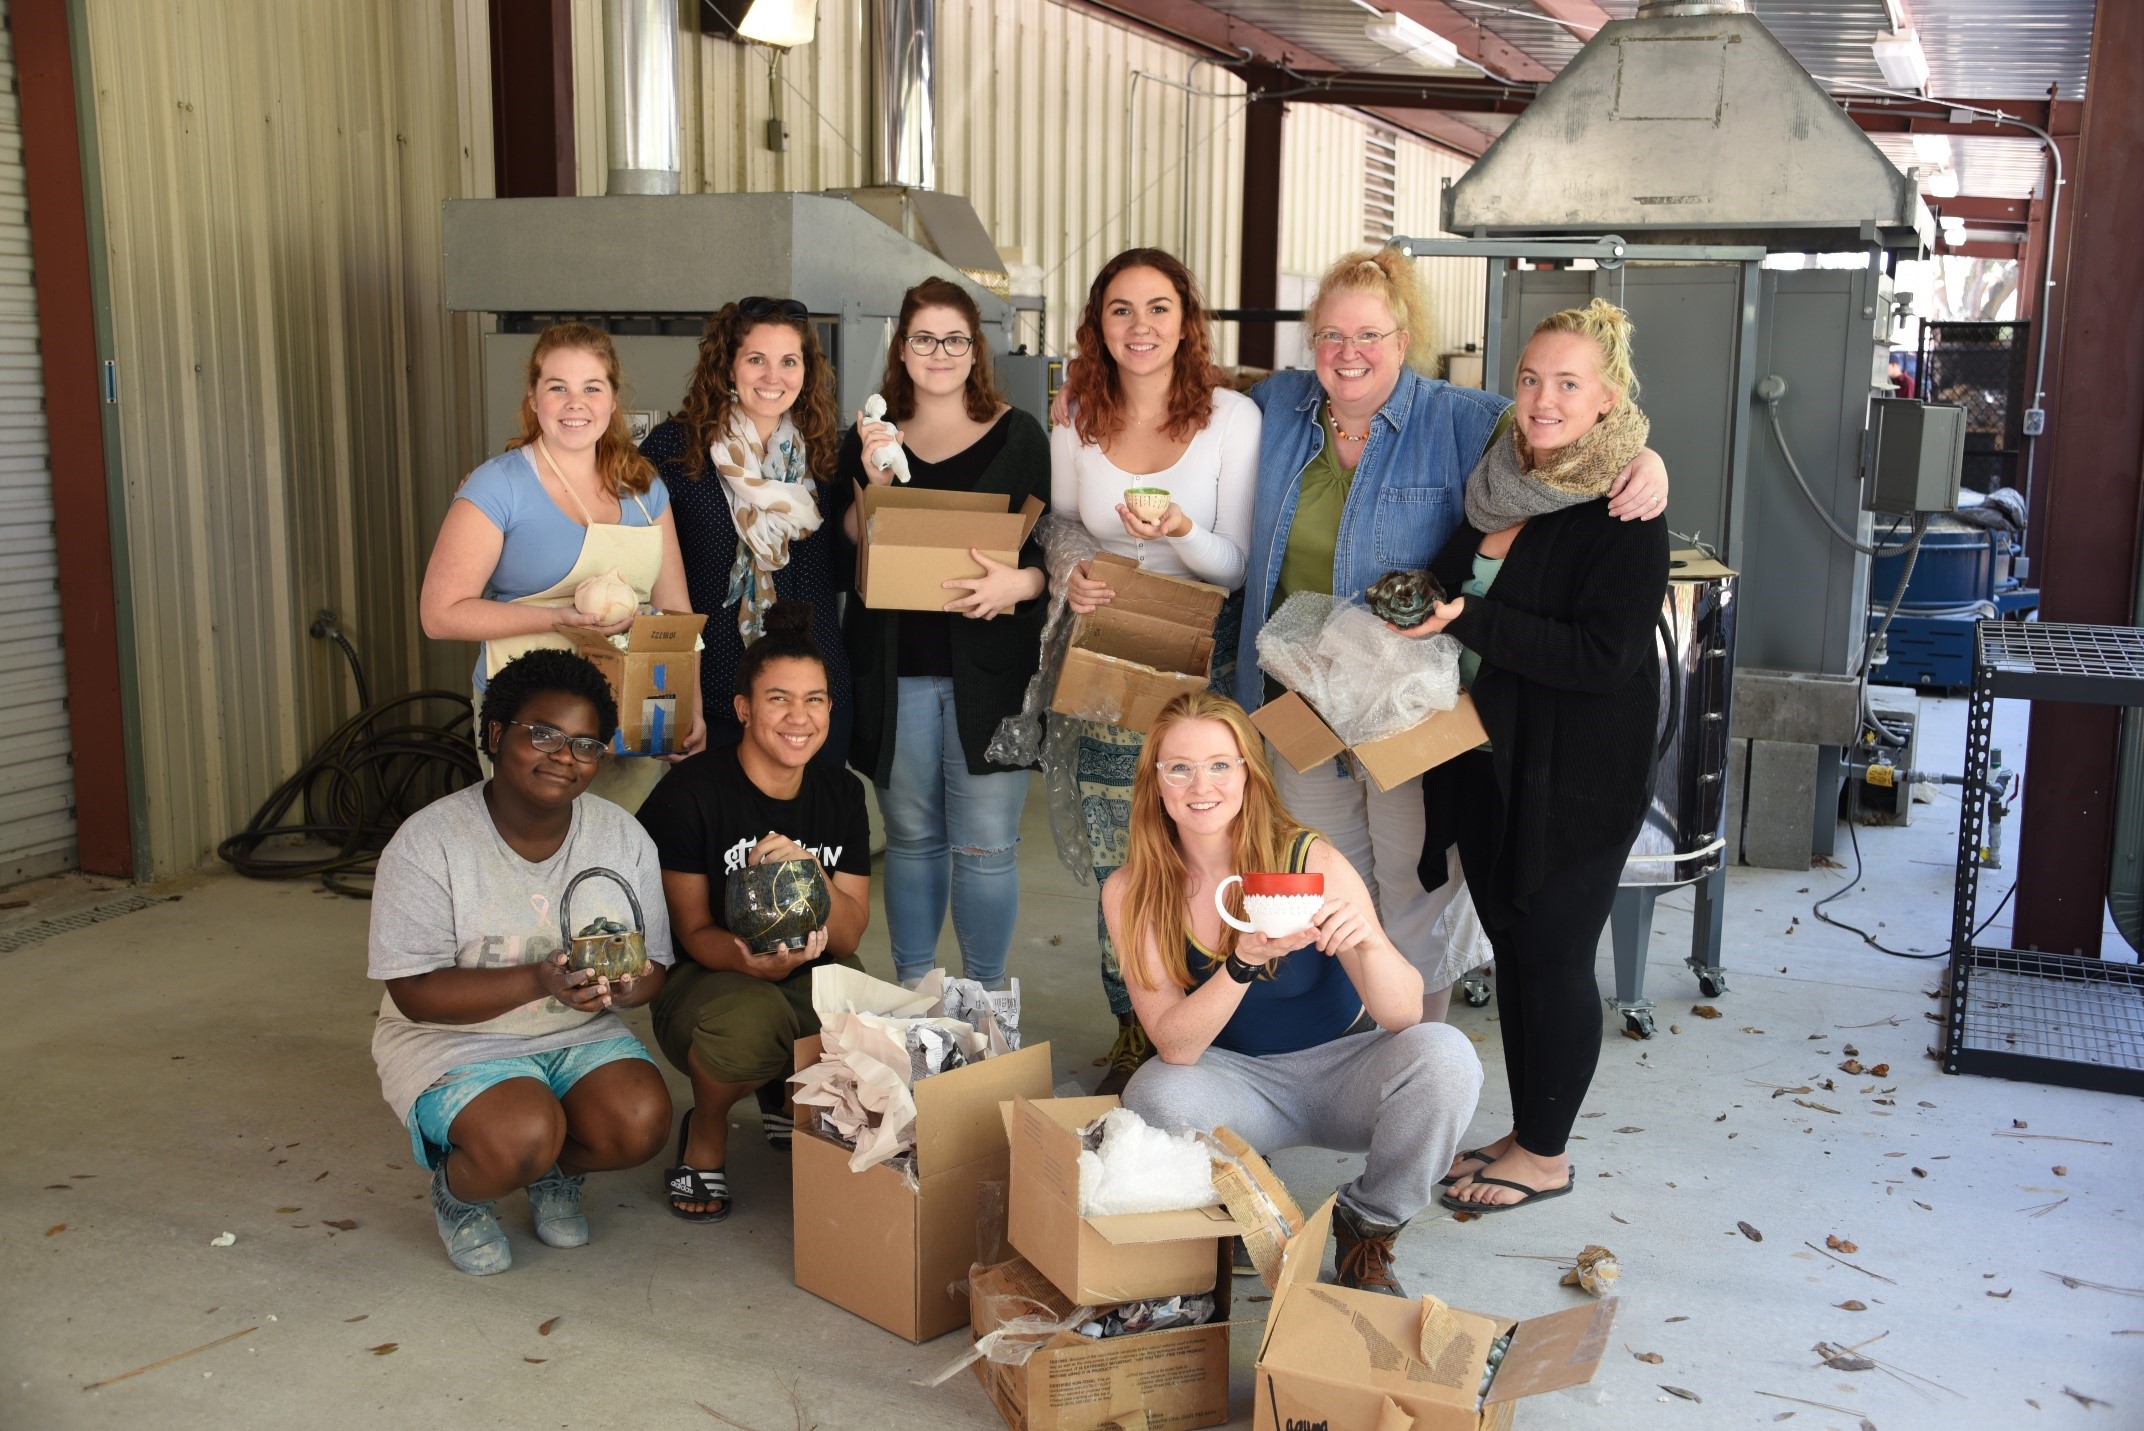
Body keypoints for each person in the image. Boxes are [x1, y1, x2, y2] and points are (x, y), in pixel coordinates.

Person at [1236, 248, 1668, 1025]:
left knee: (1413, 890)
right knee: (1326, 882)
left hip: (1407, 703)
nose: (1349, 353)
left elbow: (1568, 435)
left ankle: (1414, 1058)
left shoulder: (1465, 419)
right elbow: (1178, 416)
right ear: (1312, 345)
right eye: (1331, 335)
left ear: (1405, 338)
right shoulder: (1273, 410)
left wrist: (1651, 460)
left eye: (1370, 334)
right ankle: (1347, 1050)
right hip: (1297, 699)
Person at [1404, 300, 1670, 1213]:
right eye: (1531, 379)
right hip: (1487, 756)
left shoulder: (1624, 506)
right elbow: (1455, 567)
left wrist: (1471, 618)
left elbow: (1605, 657)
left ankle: (1548, 1157)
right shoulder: (1503, 474)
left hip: (1576, 772)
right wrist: (1417, 598)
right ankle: (1526, 1133)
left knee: (1554, 955)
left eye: (1567, 384)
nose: (1543, 399)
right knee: (1511, 948)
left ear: (1607, 400)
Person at [1109, 690, 1482, 1297]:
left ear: (1249, 775)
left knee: (1446, 1054)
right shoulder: (1133, 889)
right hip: (1232, 1082)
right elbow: (1174, 1046)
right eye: (1179, 767)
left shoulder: (1312, 858)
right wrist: (1241, 964)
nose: (1200, 784)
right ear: (1155, 782)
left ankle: (1369, 1225)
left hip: (1339, 1069)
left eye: (1220, 765)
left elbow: (1404, 1014)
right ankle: (1245, 1199)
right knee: (1153, 1092)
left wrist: (1369, 944)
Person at [367, 648, 675, 1275]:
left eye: (586, 744)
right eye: (545, 735)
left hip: (577, 1033)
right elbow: (415, 993)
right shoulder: (430, 843)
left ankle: (553, 1175)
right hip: (454, 1041)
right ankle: (460, 1195)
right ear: (498, 732)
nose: (565, 757)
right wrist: (540, 980)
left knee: (640, 1122)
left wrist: (627, 984)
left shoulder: (620, 837)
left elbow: (655, 971)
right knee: (522, 1133)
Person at [1052, 247, 1261, 1093]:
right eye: (1122, 310)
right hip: (1110, 660)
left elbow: (1239, 563)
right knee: (1120, 859)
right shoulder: (1078, 416)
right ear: (1098, 324)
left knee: (1205, 849)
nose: (1141, 327)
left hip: (1200, 669)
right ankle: (1134, 1030)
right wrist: (1073, 572)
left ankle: (1216, 1020)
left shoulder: (1230, 418)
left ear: (1187, 320)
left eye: (1159, 308)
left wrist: (1177, 527)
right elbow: (1064, 524)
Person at [837, 277, 1051, 990]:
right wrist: (873, 480)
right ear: (902, 348)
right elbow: (851, 557)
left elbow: (1049, 553)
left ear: (974, 349)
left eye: (954, 339)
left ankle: (985, 1001)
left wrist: (1016, 585)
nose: (939, 352)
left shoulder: (1021, 436)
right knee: (911, 843)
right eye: (923, 338)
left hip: (993, 673)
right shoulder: (868, 439)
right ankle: (915, 993)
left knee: (987, 846)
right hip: (894, 673)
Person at [636, 601, 872, 1221]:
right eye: (778, 700)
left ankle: (780, 1088)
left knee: (871, 1018)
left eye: (816, 700)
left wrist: (811, 872)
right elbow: (688, 933)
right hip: (705, 977)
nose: (801, 718)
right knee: (751, 1019)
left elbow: (848, 936)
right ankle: (706, 1133)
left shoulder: (841, 791)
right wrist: (752, 963)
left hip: (808, 966)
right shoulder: (691, 793)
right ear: (742, 708)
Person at [420, 322, 705, 809]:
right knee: (533, 846)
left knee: (618, 847)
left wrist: (688, 704)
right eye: (558, 387)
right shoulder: (498, 486)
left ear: (613, 399)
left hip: (628, 709)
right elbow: (440, 614)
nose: (577, 404)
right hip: (530, 712)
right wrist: (557, 618)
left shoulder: (643, 487)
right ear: (534, 398)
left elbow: (674, 605)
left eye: (592, 388)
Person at [641, 298, 853, 768]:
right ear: (727, 366)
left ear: (806, 371)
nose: (772, 377)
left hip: (810, 699)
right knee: (715, 840)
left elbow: (845, 569)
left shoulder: (824, 454)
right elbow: (648, 575)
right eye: (756, 359)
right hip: (713, 694)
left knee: (809, 839)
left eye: (788, 362)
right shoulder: (676, 451)